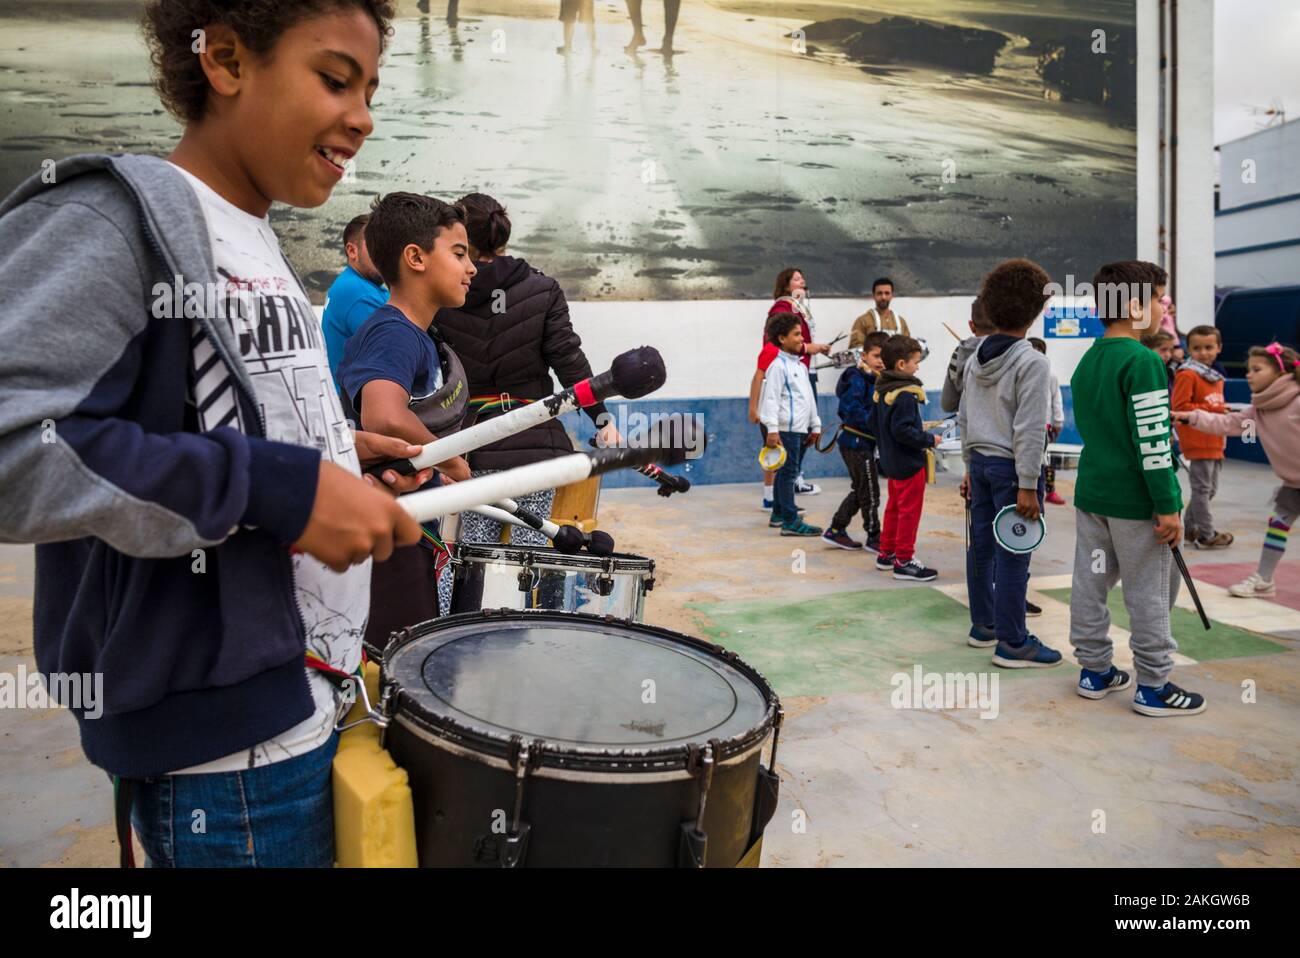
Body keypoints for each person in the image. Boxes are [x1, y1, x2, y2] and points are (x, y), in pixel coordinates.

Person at [0, 0, 443, 867]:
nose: (362, 116)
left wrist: (340, 468)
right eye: (333, 79)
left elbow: (220, 424)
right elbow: (18, 445)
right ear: (228, 62)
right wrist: (278, 489)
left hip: (305, 706)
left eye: (371, 89)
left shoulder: (257, 237)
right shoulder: (119, 218)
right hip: (225, 764)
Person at [434, 192, 619, 554]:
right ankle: (527, 611)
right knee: (530, 553)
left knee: (473, 555)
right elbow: (569, 361)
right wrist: (601, 418)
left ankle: (473, 610)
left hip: (472, 445)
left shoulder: (446, 297)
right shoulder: (541, 289)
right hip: (534, 447)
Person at [1069, 260, 1204, 716]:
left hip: (1093, 496)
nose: (1163, 310)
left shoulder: (1089, 358)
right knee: (1150, 591)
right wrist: (1168, 504)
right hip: (1136, 503)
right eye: (1158, 301)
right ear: (1133, 306)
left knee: (1090, 582)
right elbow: (1151, 441)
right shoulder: (1143, 360)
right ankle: (1154, 685)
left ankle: (1094, 671)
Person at [337, 193, 474, 637]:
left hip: (407, 524)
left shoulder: (415, 334)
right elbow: (385, 418)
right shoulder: (393, 332)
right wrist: (451, 460)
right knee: (396, 664)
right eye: (458, 253)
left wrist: (436, 470)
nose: (471, 268)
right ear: (415, 257)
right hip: (385, 537)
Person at [956, 262, 1059, 667]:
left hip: (979, 464)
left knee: (981, 548)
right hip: (1012, 471)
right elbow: (1031, 428)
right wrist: (1029, 485)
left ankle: (984, 626)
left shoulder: (976, 355)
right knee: (1015, 554)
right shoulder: (1032, 362)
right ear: (1035, 313)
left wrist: (967, 465)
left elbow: (964, 416)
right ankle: (1014, 642)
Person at [1174, 343, 1300, 598]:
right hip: (1293, 482)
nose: (1249, 375)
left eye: (1257, 369)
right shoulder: (1260, 409)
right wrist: (1187, 416)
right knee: (1278, 524)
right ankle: (1264, 580)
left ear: (1281, 371)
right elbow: (1226, 423)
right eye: (1248, 369)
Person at [874, 335, 941, 580]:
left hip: (891, 462)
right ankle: (903, 559)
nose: (918, 366)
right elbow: (903, 431)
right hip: (908, 463)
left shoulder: (883, 389)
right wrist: (929, 439)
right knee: (909, 512)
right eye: (915, 361)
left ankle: (886, 553)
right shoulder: (904, 395)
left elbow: (886, 427)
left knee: (893, 508)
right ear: (902, 365)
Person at [822, 331, 889, 552]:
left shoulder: (880, 380)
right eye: (876, 355)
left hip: (866, 443)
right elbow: (851, 410)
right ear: (865, 355)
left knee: (861, 489)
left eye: (884, 357)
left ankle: (836, 529)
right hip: (856, 443)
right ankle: (874, 537)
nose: (880, 361)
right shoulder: (856, 378)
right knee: (870, 491)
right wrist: (878, 424)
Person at [765, 268, 830, 495]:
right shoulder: (781, 308)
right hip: (790, 374)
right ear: (785, 284)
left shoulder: (797, 306)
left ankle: (794, 477)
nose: (802, 280)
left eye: (803, 277)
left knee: (806, 429)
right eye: (796, 278)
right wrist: (808, 348)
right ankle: (790, 481)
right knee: (793, 435)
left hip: (803, 369)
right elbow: (773, 342)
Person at [758, 313, 822, 536]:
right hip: (786, 429)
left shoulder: (801, 367)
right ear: (782, 338)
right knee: (788, 474)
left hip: (799, 429)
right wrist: (773, 429)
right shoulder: (778, 367)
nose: (801, 338)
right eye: (796, 334)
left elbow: (808, 398)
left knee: (787, 472)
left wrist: (815, 425)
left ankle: (777, 513)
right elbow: (771, 399)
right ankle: (790, 521)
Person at [1173, 325, 1233, 549]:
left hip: (1216, 439)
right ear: (1189, 349)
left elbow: (1214, 406)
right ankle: (1207, 535)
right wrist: (1215, 410)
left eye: (1209, 347)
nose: (1204, 352)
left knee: (1210, 489)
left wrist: (1220, 411)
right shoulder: (1187, 374)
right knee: (1202, 490)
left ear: (1219, 348)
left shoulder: (1215, 377)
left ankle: (1189, 529)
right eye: (1197, 348)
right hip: (1198, 440)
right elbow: (1180, 407)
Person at [322, 213, 387, 393]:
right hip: (352, 405)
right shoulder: (360, 295)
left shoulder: (351, 281)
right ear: (352, 251)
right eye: (375, 245)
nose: (385, 254)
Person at [1028, 337, 1067, 505]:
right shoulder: (1020, 374)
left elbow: (1056, 399)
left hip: (1044, 426)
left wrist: (1058, 422)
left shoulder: (1050, 376)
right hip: (1024, 426)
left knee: (1045, 458)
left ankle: (1048, 491)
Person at [941, 296, 992, 413]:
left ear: (971, 325)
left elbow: (948, 404)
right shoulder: (1013, 351)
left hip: (971, 428)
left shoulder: (959, 354)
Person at [850, 277, 910, 345]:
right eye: (879, 293)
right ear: (874, 295)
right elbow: (856, 348)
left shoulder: (901, 322)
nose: (883, 297)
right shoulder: (862, 321)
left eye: (887, 293)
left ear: (892, 295)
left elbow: (908, 349)